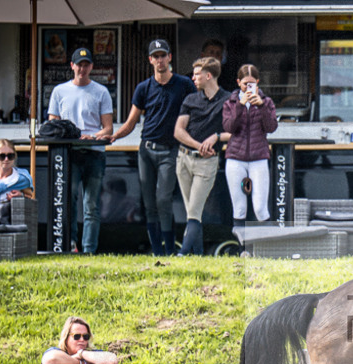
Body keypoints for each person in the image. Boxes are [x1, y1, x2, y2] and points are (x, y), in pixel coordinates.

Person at [111, 39, 196, 256]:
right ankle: (157, 251)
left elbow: (197, 113)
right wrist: (113, 136)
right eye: (155, 56)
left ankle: (170, 249)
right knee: (149, 204)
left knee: (163, 199)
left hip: (171, 149)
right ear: (150, 60)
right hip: (146, 149)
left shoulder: (184, 84)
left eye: (163, 55)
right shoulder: (143, 87)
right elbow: (131, 122)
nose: (160, 60)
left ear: (170, 58)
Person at [47, 47, 113, 254]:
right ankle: (70, 244)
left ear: (92, 66)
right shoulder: (59, 91)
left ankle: (89, 250)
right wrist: (70, 135)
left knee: (91, 205)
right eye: (79, 64)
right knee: (69, 200)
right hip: (69, 153)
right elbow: (52, 124)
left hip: (94, 152)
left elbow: (108, 128)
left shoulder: (101, 91)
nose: (82, 69)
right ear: (72, 66)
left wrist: (92, 136)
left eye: (86, 65)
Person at [174, 57, 232, 255]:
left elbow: (236, 132)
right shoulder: (190, 99)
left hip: (207, 163)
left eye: (197, 74)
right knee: (192, 211)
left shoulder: (228, 100)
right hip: (184, 159)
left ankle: (182, 254)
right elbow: (178, 131)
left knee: (194, 211)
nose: (193, 78)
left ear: (209, 76)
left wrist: (215, 137)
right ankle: (198, 254)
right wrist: (200, 145)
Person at [222, 64, 278, 226]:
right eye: (245, 83)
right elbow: (229, 127)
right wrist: (240, 105)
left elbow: (271, 127)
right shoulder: (230, 102)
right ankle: (242, 250)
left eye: (251, 83)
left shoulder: (266, 102)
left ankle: (266, 248)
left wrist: (261, 106)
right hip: (235, 157)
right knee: (239, 208)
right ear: (238, 82)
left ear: (258, 83)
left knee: (260, 208)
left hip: (258, 156)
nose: (248, 87)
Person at [41, 316, 118, 364]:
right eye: (76, 336)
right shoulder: (57, 352)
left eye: (85, 336)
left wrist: (82, 353)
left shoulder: (90, 355)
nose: (82, 340)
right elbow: (51, 360)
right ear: (66, 337)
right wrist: (79, 362)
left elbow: (112, 360)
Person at [0, 139, 34, 225]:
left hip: (0, 217)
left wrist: (21, 195)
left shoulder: (21, 179)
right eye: (2, 156)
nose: (6, 159)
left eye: (10, 156)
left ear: (15, 156)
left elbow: (31, 197)